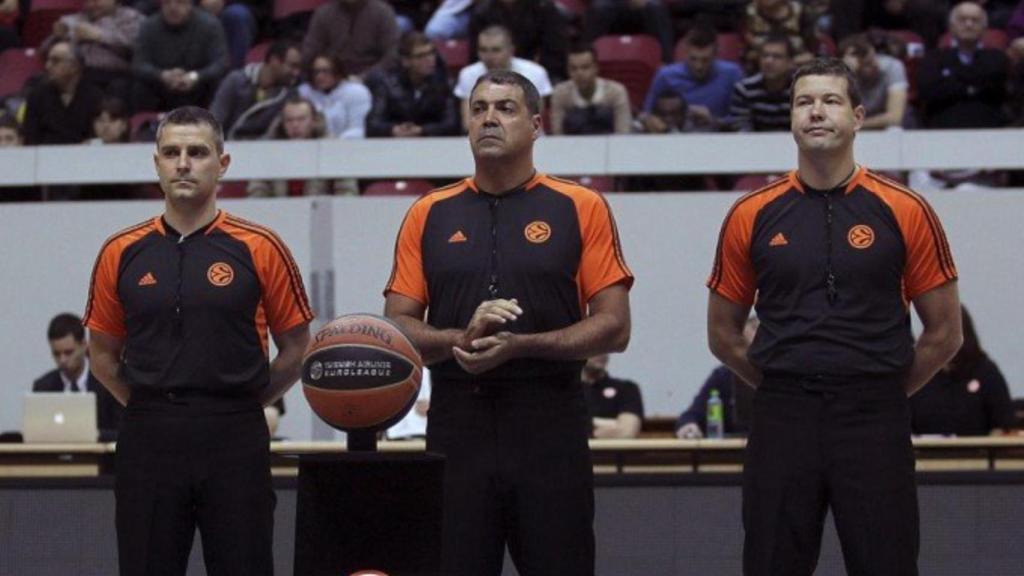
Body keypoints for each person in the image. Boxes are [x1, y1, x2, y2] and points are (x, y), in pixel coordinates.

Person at [707, 57, 962, 575]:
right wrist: (786, 385)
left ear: (859, 116)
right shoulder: (750, 213)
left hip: (873, 417)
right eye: (804, 101)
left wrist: (880, 389)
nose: (815, 112)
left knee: (885, 563)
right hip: (782, 416)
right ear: (791, 118)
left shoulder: (906, 208)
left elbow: (944, 334)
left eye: (830, 101)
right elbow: (722, 334)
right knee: (771, 563)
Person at [384, 70, 633, 575]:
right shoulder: (427, 213)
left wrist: (518, 345)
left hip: (550, 422)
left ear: (536, 124)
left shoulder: (580, 206)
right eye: (478, 109)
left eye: (505, 108)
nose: (489, 119)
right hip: (457, 425)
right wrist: (462, 338)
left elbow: (614, 327)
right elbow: (397, 328)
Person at [84, 106, 313, 575]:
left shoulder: (260, 246)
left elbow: (297, 348)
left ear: (222, 164)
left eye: (197, 152)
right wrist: (149, 406)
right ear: (157, 165)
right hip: (149, 435)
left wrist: (247, 401)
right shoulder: (120, 251)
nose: (183, 163)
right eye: (171, 152)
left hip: (234, 434)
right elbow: (102, 354)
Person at [911, 306, 1016, 436]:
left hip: (977, 454)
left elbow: (1003, 423)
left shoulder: (985, 371)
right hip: (926, 454)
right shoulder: (920, 371)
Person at [33, 313, 123, 441]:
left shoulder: (106, 383)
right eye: (56, 354)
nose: (62, 360)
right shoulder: (43, 387)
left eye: (68, 352)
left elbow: (122, 432)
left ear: (84, 345)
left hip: (101, 458)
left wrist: (94, 434)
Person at [247, 95, 358, 195]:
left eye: (301, 119)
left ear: (314, 121)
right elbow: (258, 189)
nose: (295, 125)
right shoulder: (269, 151)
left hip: (322, 214)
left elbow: (346, 190)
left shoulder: (333, 149)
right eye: (289, 120)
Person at [132, 0, 228, 111]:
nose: (173, 7)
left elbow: (220, 64)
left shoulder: (210, 25)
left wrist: (195, 77)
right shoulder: (148, 26)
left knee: (218, 83)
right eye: (167, 3)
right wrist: (162, 75)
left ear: (190, 4)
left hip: (199, 86)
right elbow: (138, 64)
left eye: (180, 2)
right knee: (139, 85)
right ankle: (145, 124)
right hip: (161, 87)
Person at [453, 25, 554, 130]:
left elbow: (533, 118)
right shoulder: (468, 74)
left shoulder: (535, 73)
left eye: (496, 50)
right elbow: (468, 122)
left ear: (511, 50)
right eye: (483, 50)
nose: (489, 56)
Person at [642, 25, 744, 127]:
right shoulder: (665, 76)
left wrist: (714, 121)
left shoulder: (732, 74)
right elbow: (646, 114)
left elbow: (742, 121)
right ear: (685, 52)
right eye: (693, 59)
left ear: (716, 54)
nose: (698, 66)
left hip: (719, 137)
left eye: (705, 60)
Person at [365, 31, 461, 138]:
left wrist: (422, 130)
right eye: (421, 56)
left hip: (433, 145)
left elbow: (452, 124)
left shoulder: (444, 83)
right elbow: (373, 124)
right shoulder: (386, 83)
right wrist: (393, 129)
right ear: (405, 61)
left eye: (431, 53)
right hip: (394, 144)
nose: (430, 59)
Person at [676, 316, 758, 438]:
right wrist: (689, 427)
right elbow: (692, 415)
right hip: (733, 453)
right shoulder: (723, 376)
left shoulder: (786, 376)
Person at [49, 0, 144, 102]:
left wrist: (99, 36)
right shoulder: (76, 19)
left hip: (115, 75)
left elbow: (136, 49)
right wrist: (57, 37)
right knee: (41, 82)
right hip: (79, 73)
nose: (93, 2)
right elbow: (45, 52)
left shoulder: (131, 17)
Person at [210, 39, 302, 140]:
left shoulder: (289, 94)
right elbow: (214, 120)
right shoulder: (236, 81)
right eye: (292, 66)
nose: (296, 73)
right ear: (274, 61)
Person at [22, 40, 104, 145]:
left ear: (74, 66)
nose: (48, 66)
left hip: (84, 158)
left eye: (55, 61)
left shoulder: (95, 97)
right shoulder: (37, 96)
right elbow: (30, 138)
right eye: (48, 60)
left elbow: (97, 138)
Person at [468, 0, 568, 81]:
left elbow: (555, 52)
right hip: (491, 74)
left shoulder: (544, 8)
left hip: (536, 72)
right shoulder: (482, 12)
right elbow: (476, 53)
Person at [302, 0, 400, 78]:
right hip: (331, 77)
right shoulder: (323, 14)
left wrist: (365, 77)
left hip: (372, 78)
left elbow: (392, 54)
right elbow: (310, 53)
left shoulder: (383, 12)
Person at [550, 43, 633, 135]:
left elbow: (623, 134)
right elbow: (557, 136)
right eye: (573, 68)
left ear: (596, 68)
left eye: (585, 67)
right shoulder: (560, 93)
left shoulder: (616, 92)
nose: (579, 73)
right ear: (568, 70)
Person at [839, 32, 908, 129]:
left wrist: (856, 125)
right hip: (857, 122)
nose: (876, 65)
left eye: (874, 58)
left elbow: (895, 117)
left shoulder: (892, 67)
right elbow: (839, 117)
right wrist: (847, 75)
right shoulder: (845, 76)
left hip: (880, 123)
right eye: (868, 64)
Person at [728, 33, 794, 132]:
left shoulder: (800, 90)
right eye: (765, 55)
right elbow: (740, 128)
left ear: (790, 62)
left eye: (777, 56)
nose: (769, 61)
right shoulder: (745, 89)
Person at [297, 53, 372, 139]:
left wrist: (335, 142)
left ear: (338, 72)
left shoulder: (356, 92)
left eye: (325, 71)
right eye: (316, 72)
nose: (319, 76)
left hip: (346, 146)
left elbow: (359, 129)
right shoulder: (304, 92)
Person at [582, 354, 644, 438]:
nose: (601, 353)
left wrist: (586, 430)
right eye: (595, 348)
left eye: (606, 348)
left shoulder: (627, 388)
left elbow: (626, 432)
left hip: (611, 450)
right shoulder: (565, 389)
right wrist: (609, 424)